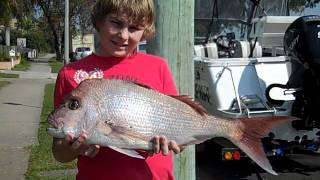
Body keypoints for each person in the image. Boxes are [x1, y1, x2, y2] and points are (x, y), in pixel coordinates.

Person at [52, 0, 183, 179]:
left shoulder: (158, 67)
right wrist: (74, 149)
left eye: (134, 28)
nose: (123, 35)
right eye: (116, 23)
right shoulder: (70, 74)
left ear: (146, 30)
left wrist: (174, 142)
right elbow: (59, 153)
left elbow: (181, 130)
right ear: (99, 20)